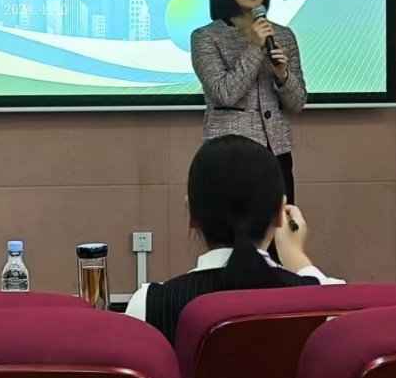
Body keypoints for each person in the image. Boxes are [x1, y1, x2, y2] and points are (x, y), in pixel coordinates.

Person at [125, 135, 343, 344]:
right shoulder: (329, 306)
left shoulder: (146, 305)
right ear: (279, 214)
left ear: (191, 213)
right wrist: (295, 255)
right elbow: (332, 300)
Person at [190, 0, 307, 205]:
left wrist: (283, 76)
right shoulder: (205, 38)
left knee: (279, 228)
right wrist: (255, 46)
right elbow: (224, 93)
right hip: (228, 157)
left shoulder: (283, 35)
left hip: (276, 156)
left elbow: (298, 102)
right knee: (231, 228)